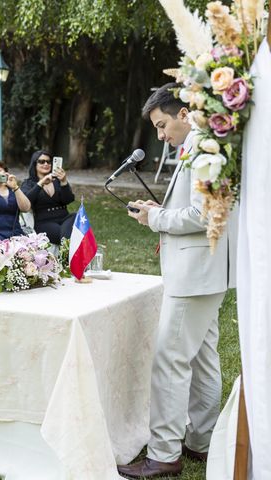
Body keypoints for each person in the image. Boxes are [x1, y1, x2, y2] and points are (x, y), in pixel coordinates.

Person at [117, 83, 235, 478]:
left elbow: (204, 217)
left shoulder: (204, 150)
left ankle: (164, 453)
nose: (160, 135)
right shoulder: (200, 147)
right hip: (205, 272)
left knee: (169, 360)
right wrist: (160, 208)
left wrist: (155, 218)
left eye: (162, 124)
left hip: (194, 275)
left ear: (185, 114)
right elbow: (195, 207)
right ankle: (200, 442)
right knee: (203, 358)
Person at [20, 150, 76, 245]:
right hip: (44, 222)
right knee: (66, 235)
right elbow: (26, 202)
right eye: (42, 161)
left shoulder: (57, 180)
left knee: (75, 216)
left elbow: (68, 199)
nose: (46, 164)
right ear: (35, 164)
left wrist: (64, 182)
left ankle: (66, 248)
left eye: (48, 161)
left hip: (64, 217)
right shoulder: (28, 183)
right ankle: (67, 251)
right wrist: (40, 184)